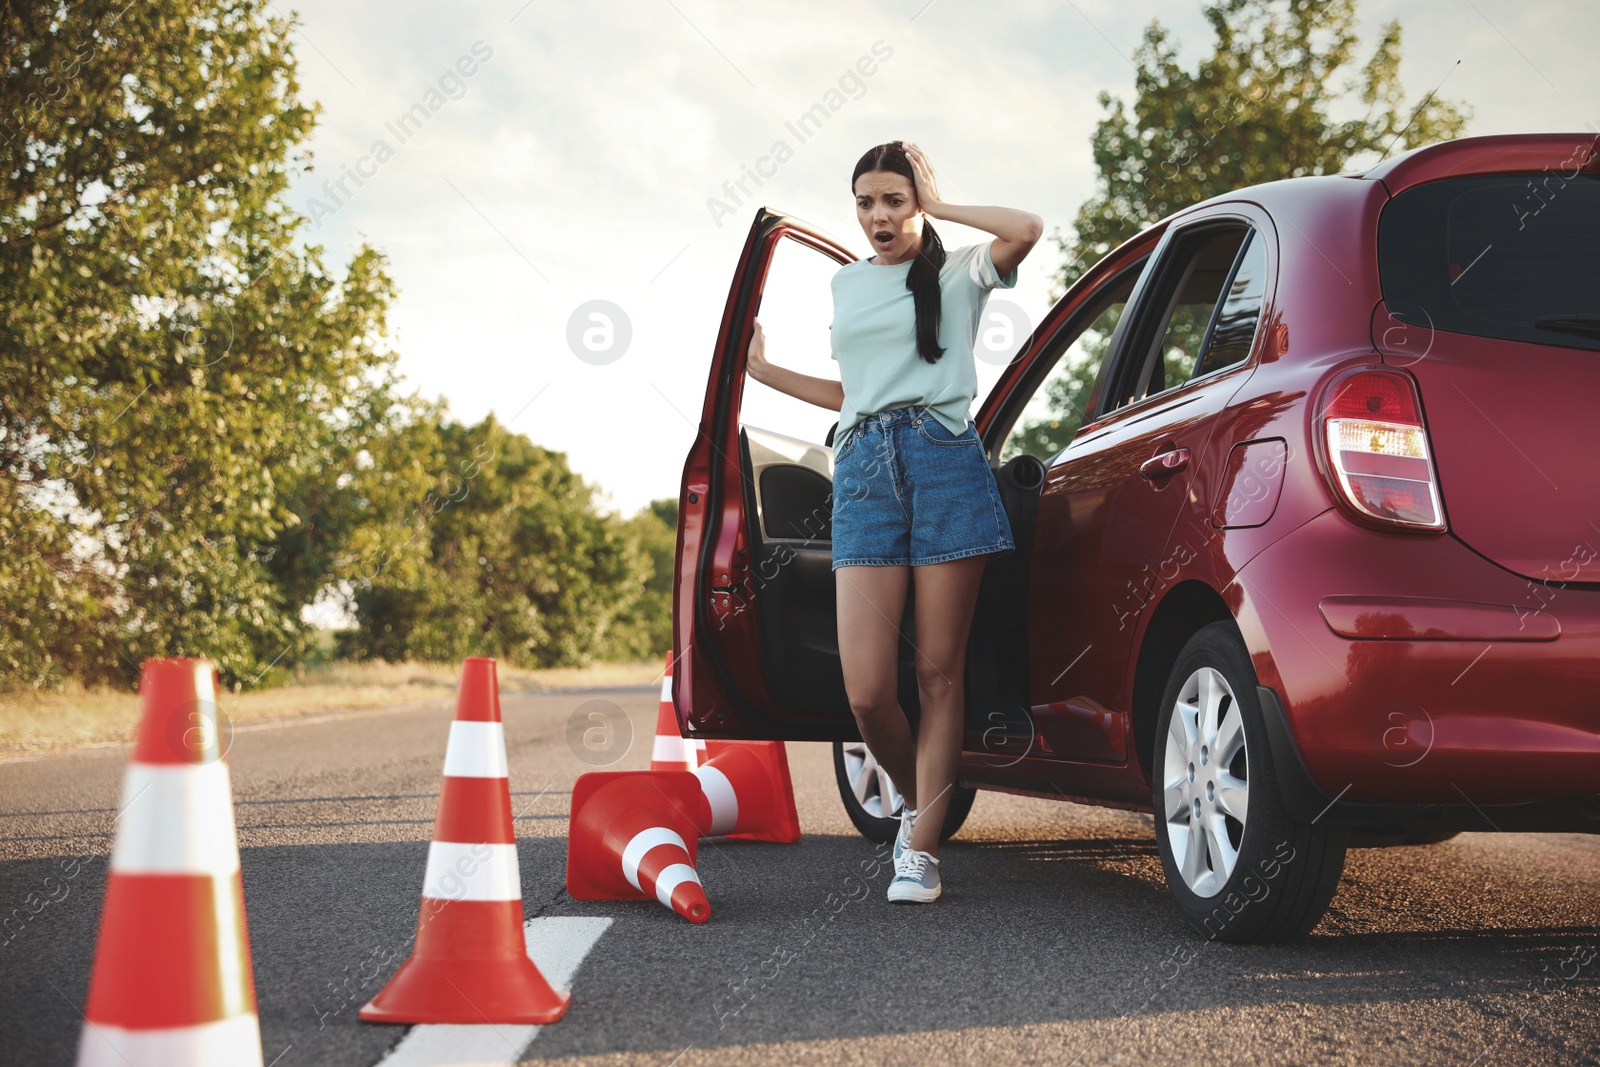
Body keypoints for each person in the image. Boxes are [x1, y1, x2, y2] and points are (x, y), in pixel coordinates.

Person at [745, 140, 1042, 903]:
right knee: (869, 689)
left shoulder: (958, 271)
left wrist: (939, 206)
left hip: (944, 460)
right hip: (867, 470)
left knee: (937, 674)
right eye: (866, 202)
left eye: (894, 200)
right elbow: (857, 388)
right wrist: (765, 373)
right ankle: (922, 807)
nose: (879, 216)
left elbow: (1028, 226)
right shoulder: (846, 284)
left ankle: (922, 850)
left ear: (917, 203)